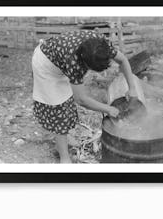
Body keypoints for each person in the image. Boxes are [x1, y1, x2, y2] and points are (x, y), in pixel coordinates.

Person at [32, 30, 137, 163]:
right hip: (46, 65)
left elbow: (122, 60)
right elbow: (81, 99)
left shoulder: (101, 45)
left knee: (67, 102)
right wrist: (108, 109)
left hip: (59, 59)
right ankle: (64, 158)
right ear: (84, 62)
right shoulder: (73, 61)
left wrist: (132, 88)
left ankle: (63, 140)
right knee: (58, 110)